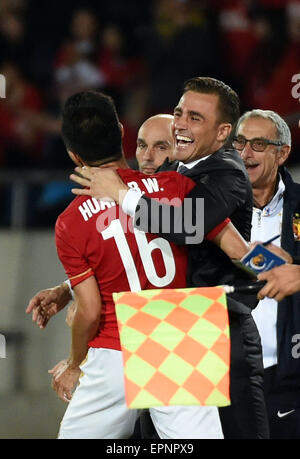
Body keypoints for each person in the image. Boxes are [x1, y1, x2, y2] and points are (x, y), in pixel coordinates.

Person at [70, 77, 269, 439]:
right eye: (179, 112)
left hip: (222, 328)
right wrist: (65, 288)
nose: (180, 123)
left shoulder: (226, 172)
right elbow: (137, 246)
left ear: (223, 132)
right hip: (168, 327)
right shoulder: (176, 175)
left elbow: (191, 227)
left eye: (195, 117)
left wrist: (122, 194)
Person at [25, 113, 174, 328]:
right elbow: (130, 260)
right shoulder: (131, 195)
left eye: (161, 147)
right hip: (152, 332)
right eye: (141, 145)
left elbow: (186, 228)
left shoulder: (186, 192)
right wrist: (69, 288)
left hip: (189, 328)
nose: (147, 157)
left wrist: (74, 361)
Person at [230, 108, 300, 439]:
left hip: (289, 378)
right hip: (225, 375)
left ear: (282, 153)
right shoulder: (216, 206)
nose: (245, 153)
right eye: (240, 142)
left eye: (258, 143)